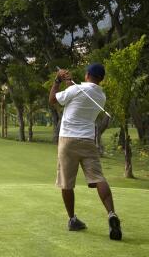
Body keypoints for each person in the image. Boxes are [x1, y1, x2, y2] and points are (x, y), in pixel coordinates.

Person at [48, 63, 122, 241]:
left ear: (87, 74)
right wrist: (69, 82)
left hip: (67, 140)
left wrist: (58, 80)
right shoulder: (100, 96)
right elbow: (77, 95)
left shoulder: (77, 90)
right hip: (88, 140)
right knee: (98, 178)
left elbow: (53, 101)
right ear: (101, 79)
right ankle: (111, 213)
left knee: (67, 183)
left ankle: (72, 220)